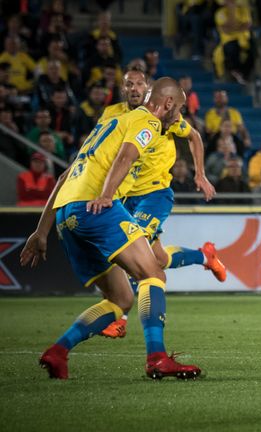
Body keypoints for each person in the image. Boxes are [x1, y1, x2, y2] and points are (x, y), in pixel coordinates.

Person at [20, 78, 202, 380]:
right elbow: (127, 155)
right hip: (96, 206)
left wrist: (41, 231)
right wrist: (106, 195)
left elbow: (65, 175)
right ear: (168, 103)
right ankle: (157, 358)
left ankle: (58, 352)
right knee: (153, 272)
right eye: (180, 107)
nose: (179, 113)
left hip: (67, 215)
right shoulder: (148, 121)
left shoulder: (111, 123)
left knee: (120, 299)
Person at [96, 71, 225, 340]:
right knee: (159, 260)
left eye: (140, 84)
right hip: (125, 196)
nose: (134, 88)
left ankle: (121, 318)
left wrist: (199, 174)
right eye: (128, 84)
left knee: (133, 246)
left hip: (155, 193)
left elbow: (195, 137)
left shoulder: (165, 116)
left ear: (148, 89)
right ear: (122, 89)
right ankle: (205, 256)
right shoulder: (113, 115)